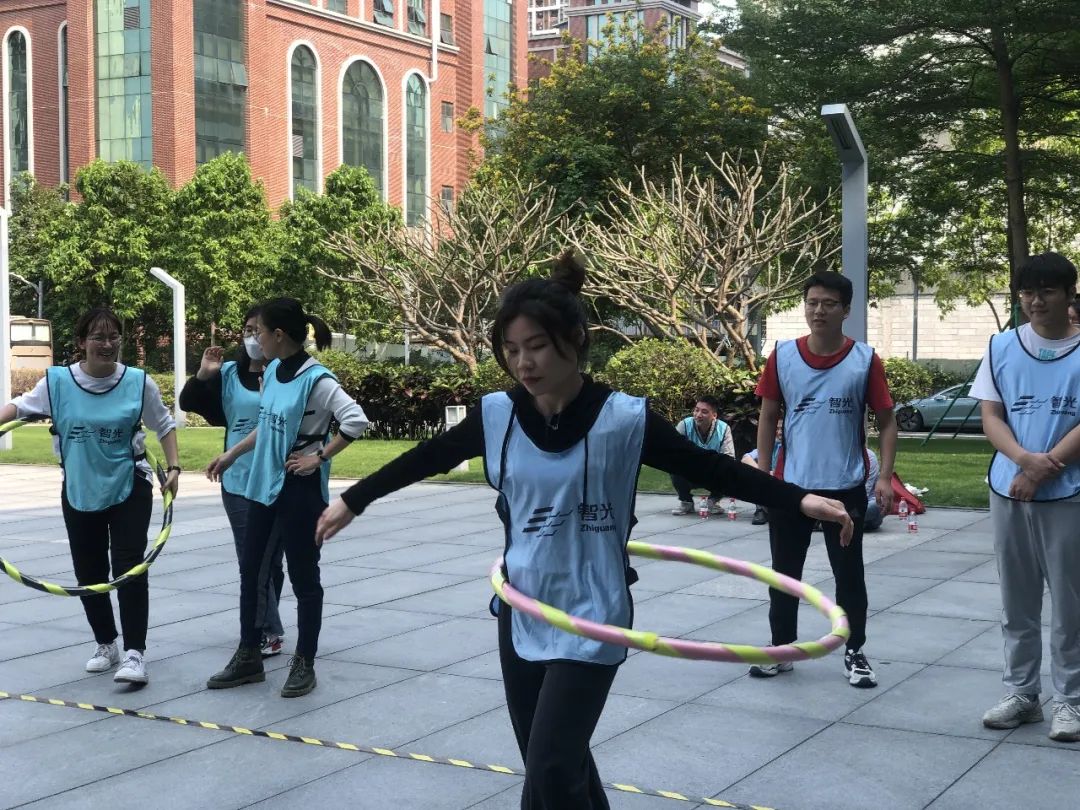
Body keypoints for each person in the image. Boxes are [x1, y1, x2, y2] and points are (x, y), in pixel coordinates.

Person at [314, 251, 853, 810]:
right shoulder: (496, 415)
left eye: (537, 346)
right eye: (511, 349)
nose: (523, 362)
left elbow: (712, 469)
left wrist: (799, 499)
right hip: (523, 604)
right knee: (554, 763)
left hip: (595, 606)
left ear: (575, 340)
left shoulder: (624, 418)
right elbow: (425, 458)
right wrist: (354, 498)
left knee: (549, 765)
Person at [0, 308, 180, 684]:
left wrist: (174, 467)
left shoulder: (137, 382)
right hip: (79, 487)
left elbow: (163, 424)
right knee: (88, 571)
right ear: (82, 342)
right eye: (98, 337)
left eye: (114, 336)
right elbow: (18, 407)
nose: (107, 344)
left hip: (129, 483)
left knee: (129, 566)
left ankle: (135, 653)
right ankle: (106, 643)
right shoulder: (57, 383)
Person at [204, 298, 369, 698]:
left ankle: (304, 663)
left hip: (300, 491)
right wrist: (232, 454)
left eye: (258, 332)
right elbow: (267, 424)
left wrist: (319, 457)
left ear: (278, 335)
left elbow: (356, 420)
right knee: (252, 572)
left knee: (303, 578)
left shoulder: (318, 379)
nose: (254, 339)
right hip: (263, 485)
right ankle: (248, 655)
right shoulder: (274, 371)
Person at [751, 270, 897, 689]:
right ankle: (782, 648)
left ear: (846, 310)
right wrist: (764, 476)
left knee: (849, 576)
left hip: (845, 485)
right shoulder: (782, 356)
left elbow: (888, 422)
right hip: (792, 486)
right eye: (812, 302)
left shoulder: (864, 360)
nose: (818, 311)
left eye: (829, 304)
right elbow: (767, 417)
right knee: (784, 575)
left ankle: (854, 651)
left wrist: (885, 477)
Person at [971, 252, 1080, 743]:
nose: (1036, 301)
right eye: (1027, 292)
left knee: (1071, 602)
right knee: (1016, 599)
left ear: (1069, 294)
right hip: (1009, 488)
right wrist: (1022, 461)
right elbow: (991, 415)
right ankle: (1022, 693)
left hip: (1068, 492)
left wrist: (1043, 468)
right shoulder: (1002, 346)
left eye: (1047, 291)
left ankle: (1072, 699)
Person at [179, 306, 286, 657]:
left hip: (278, 477)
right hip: (238, 480)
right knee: (251, 559)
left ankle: (261, 621)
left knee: (272, 562)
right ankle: (268, 629)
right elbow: (188, 402)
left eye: (258, 330)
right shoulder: (228, 373)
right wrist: (203, 374)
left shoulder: (286, 374)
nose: (252, 337)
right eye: (247, 330)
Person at [670, 396, 735, 515]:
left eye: (704, 412)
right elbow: (674, 451)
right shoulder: (684, 425)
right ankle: (686, 502)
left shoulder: (724, 429)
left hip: (713, 473)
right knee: (673, 466)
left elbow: (729, 457)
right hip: (689, 470)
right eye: (696, 410)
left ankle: (713, 501)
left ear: (714, 415)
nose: (698, 415)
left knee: (729, 470)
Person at [741, 421, 783, 525]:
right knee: (753, 474)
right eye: (777, 429)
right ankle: (761, 510)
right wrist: (763, 472)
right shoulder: (771, 444)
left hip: (787, 481)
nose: (779, 432)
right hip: (771, 479)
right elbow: (746, 458)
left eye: (782, 429)